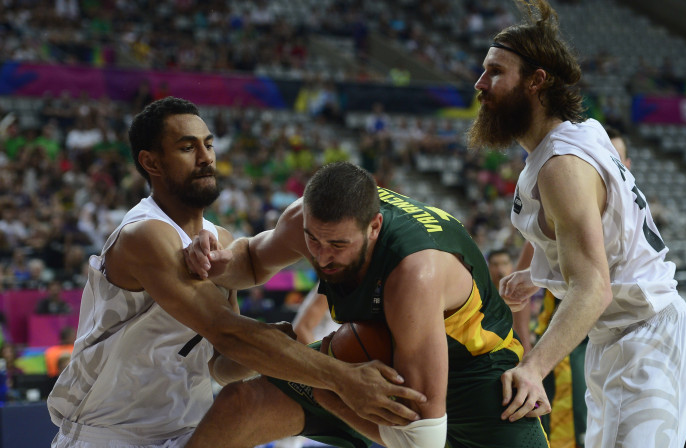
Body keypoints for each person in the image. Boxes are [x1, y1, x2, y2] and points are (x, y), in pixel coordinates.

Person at [46, 97, 422, 448]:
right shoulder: (143, 234)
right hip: (107, 433)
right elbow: (229, 332)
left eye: (208, 144)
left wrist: (272, 348)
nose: (206, 157)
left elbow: (220, 366)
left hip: (186, 431)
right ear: (151, 163)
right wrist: (345, 379)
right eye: (187, 147)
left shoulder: (218, 239)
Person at [469, 1, 686, 446]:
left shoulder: (561, 164)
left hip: (645, 331)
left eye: (495, 72)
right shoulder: (579, 135)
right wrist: (538, 273)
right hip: (614, 338)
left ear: (537, 81)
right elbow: (607, 234)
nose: (480, 83)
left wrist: (533, 368)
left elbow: (594, 285)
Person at [184, 161, 548, 448]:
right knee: (240, 405)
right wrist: (219, 263)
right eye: (314, 240)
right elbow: (251, 260)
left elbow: (422, 442)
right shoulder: (310, 220)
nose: (323, 258)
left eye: (338, 246)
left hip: (477, 377)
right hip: (378, 352)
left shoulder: (414, 273)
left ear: (374, 227)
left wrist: (331, 388)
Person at [510, 127, 634, 447]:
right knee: (577, 429)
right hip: (568, 340)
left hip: (618, 333)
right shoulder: (565, 196)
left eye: (618, 158)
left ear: (625, 165)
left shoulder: (624, 211)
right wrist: (525, 347)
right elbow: (524, 284)